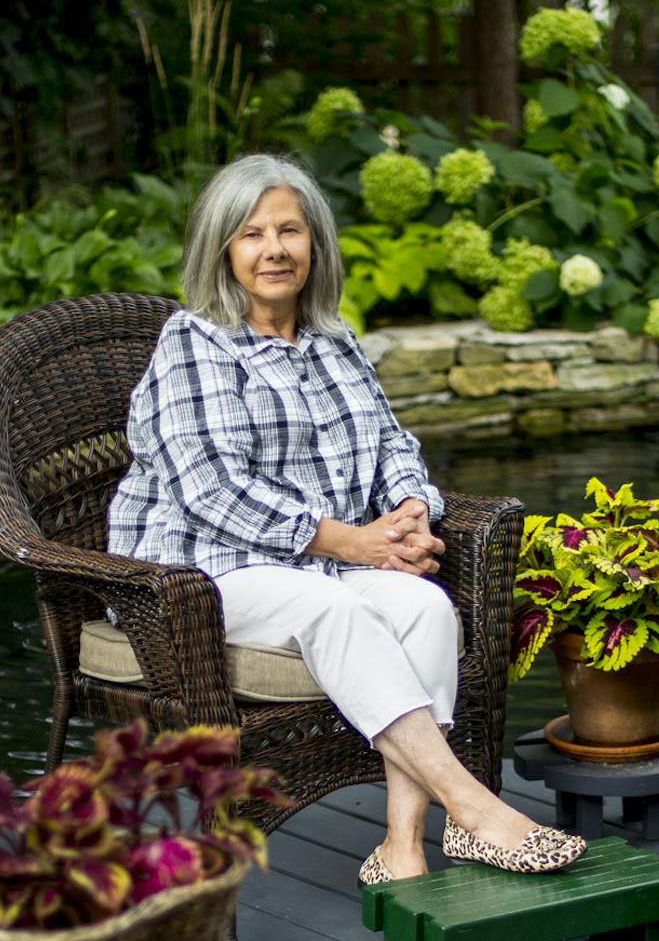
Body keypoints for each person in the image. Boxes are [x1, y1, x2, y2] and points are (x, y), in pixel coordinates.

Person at [108, 152, 586, 885]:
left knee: (427, 609)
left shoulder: (335, 339)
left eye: (289, 230)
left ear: (314, 243)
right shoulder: (193, 344)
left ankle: (403, 843)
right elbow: (212, 491)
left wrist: (412, 510)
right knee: (334, 609)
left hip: (322, 562)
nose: (274, 249)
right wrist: (354, 542)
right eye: (251, 234)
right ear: (222, 249)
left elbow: (394, 442)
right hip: (198, 571)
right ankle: (474, 806)